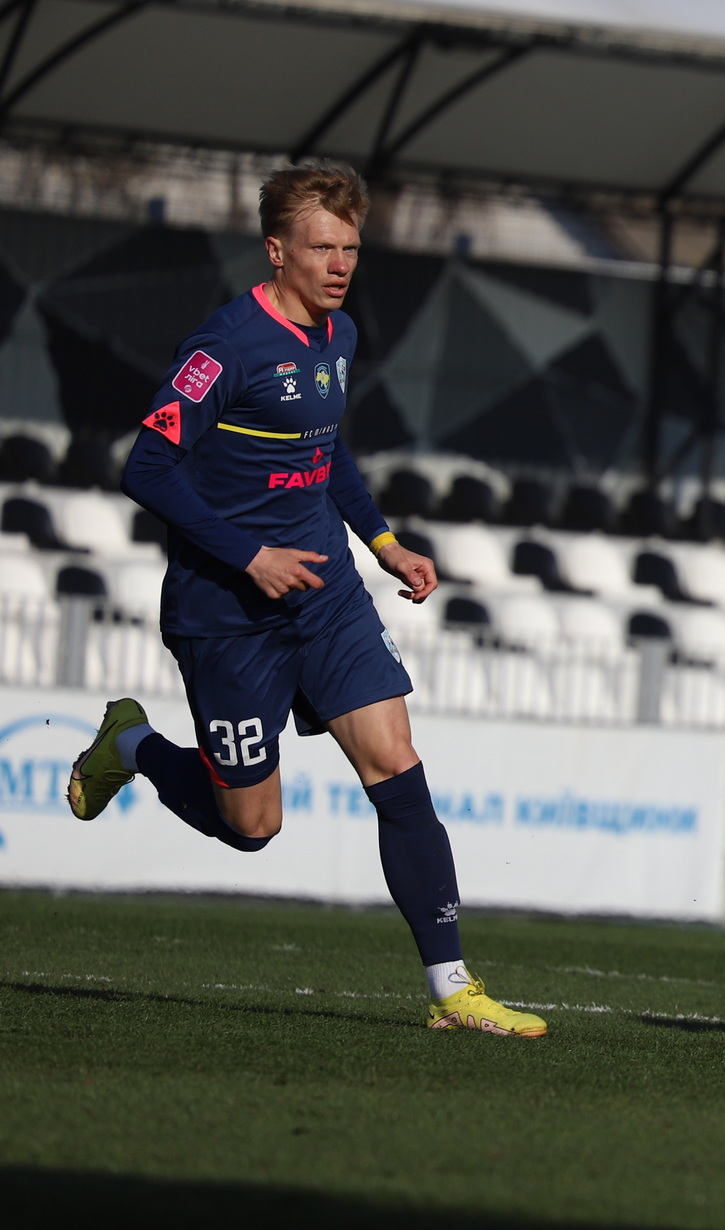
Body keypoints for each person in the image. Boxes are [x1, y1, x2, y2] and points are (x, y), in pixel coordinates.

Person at [67, 163, 545, 1038]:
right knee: (252, 827)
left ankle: (453, 990)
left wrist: (385, 543)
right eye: (322, 247)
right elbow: (147, 467)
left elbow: (324, 450)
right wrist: (249, 556)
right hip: (226, 613)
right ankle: (131, 744)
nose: (339, 265)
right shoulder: (225, 348)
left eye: (351, 248)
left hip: (325, 597)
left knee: (395, 763)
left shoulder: (340, 335)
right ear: (277, 249)